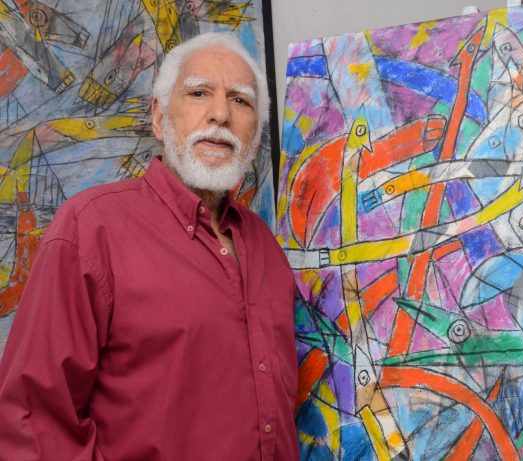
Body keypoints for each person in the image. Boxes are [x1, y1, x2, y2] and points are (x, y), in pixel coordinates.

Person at [0, 32, 299, 460]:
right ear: (159, 117)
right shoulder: (90, 229)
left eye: (240, 100)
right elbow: (31, 423)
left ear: (255, 135)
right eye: (199, 93)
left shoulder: (267, 247)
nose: (220, 114)